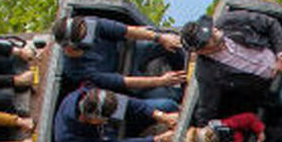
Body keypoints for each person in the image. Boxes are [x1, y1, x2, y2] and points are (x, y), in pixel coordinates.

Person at [180, 11, 282, 124]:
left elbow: (269, 23)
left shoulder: (227, 21)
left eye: (210, 29)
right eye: (209, 38)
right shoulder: (207, 73)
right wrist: (197, 128)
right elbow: (207, 108)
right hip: (275, 83)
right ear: (202, 50)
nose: (214, 32)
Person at [53, 14, 186, 98]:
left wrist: (160, 37)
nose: (89, 34)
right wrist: (162, 81)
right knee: (165, 97)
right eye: (84, 37)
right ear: (71, 46)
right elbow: (121, 82)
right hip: (125, 78)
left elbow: (125, 30)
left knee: (165, 40)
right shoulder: (76, 69)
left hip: (128, 51)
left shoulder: (88, 24)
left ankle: (186, 66)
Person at [53, 85, 177, 142]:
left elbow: (127, 105)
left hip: (117, 130)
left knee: (167, 105)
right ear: (93, 119)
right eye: (106, 118)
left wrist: (160, 116)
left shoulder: (87, 96)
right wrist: (157, 140)